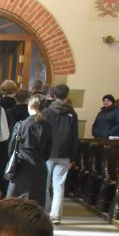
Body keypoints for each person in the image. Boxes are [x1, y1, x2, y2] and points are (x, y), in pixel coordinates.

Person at [6, 94, 53, 205]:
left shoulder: (21, 125)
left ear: (29, 106)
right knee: (36, 201)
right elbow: (48, 150)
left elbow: (11, 148)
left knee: (15, 200)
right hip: (39, 166)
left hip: (21, 165)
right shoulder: (47, 126)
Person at [43, 84, 79, 224]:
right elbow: (75, 137)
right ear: (67, 95)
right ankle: (56, 215)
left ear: (53, 96)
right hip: (65, 153)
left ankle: (45, 213)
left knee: (45, 184)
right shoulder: (72, 113)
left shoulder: (47, 112)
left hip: (48, 152)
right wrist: (73, 157)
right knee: (59, 185)